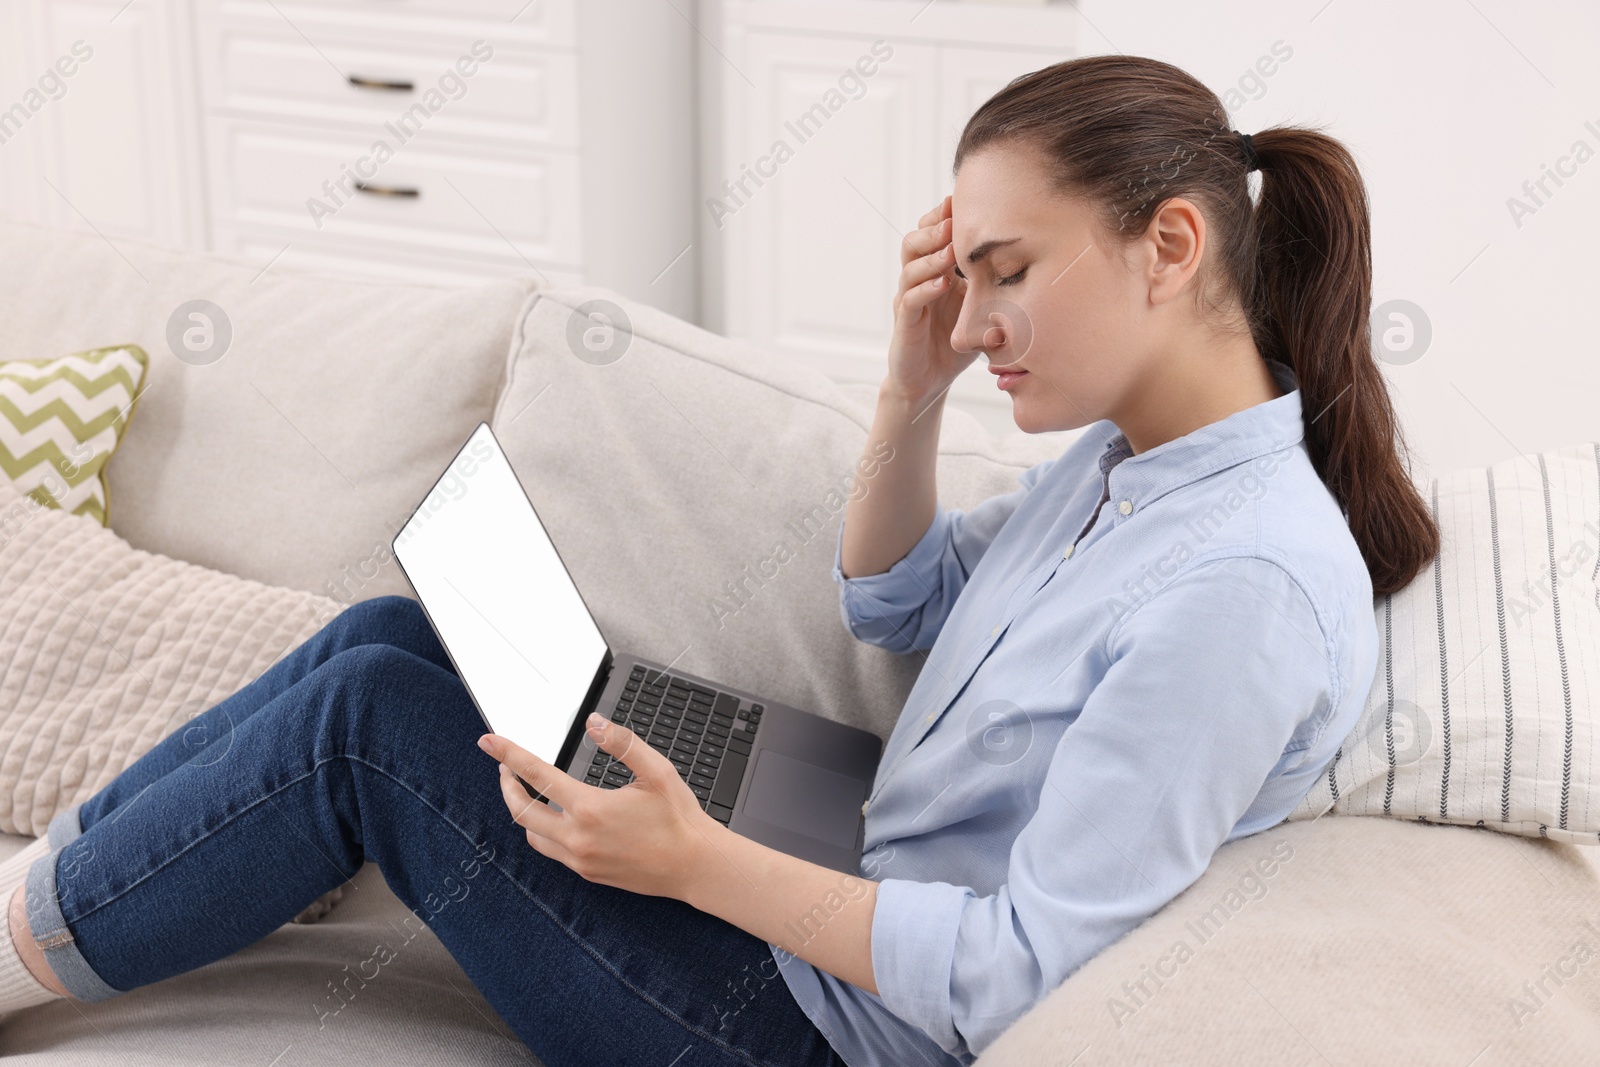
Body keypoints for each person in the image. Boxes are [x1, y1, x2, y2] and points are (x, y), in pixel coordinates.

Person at [0, 54, 1437, 1066]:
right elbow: (893, 598)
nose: (978, 311)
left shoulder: (1240, 589)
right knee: (390, 638)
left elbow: (1014, 972)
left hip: (810, 1029)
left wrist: (700, 864)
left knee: (369, 730)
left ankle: (20, 949)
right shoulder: (1127, 471)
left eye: (1008, 268)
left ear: (1169, 245)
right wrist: (909, 384)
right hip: (829, 856)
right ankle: (66, 870)